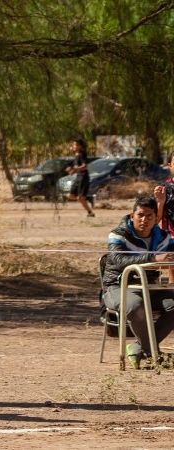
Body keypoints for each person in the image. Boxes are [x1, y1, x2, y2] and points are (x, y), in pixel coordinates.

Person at [102, 196, 174, 369]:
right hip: (117, 287)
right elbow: (118, 259)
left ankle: (138, 348)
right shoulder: (118, 234)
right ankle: (153, 354)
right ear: (132, 215)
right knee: (135, 305)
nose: (144, 220)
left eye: (149, 216)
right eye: (140, 215)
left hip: (149, 288)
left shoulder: (163, 238)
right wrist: (153, 257)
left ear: (156, 218)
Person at [66, 138, 95, 217]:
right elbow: (78, 167)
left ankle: (90, 212)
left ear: (80, 146)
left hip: (83, 177)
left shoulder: (82, 155)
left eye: (76, 145)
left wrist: (75, 169)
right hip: (78, 177)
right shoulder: (76, 155)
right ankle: (88, 198)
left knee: (80, 198)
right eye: (73, 145)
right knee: (70, 196)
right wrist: (72, 171)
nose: (74, 146)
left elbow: (84, 166)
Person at [153, 154, 174, 235]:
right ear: (170, 166)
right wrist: (160, 203)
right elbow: (155, 221)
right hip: (170, 240)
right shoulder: (163, 189)